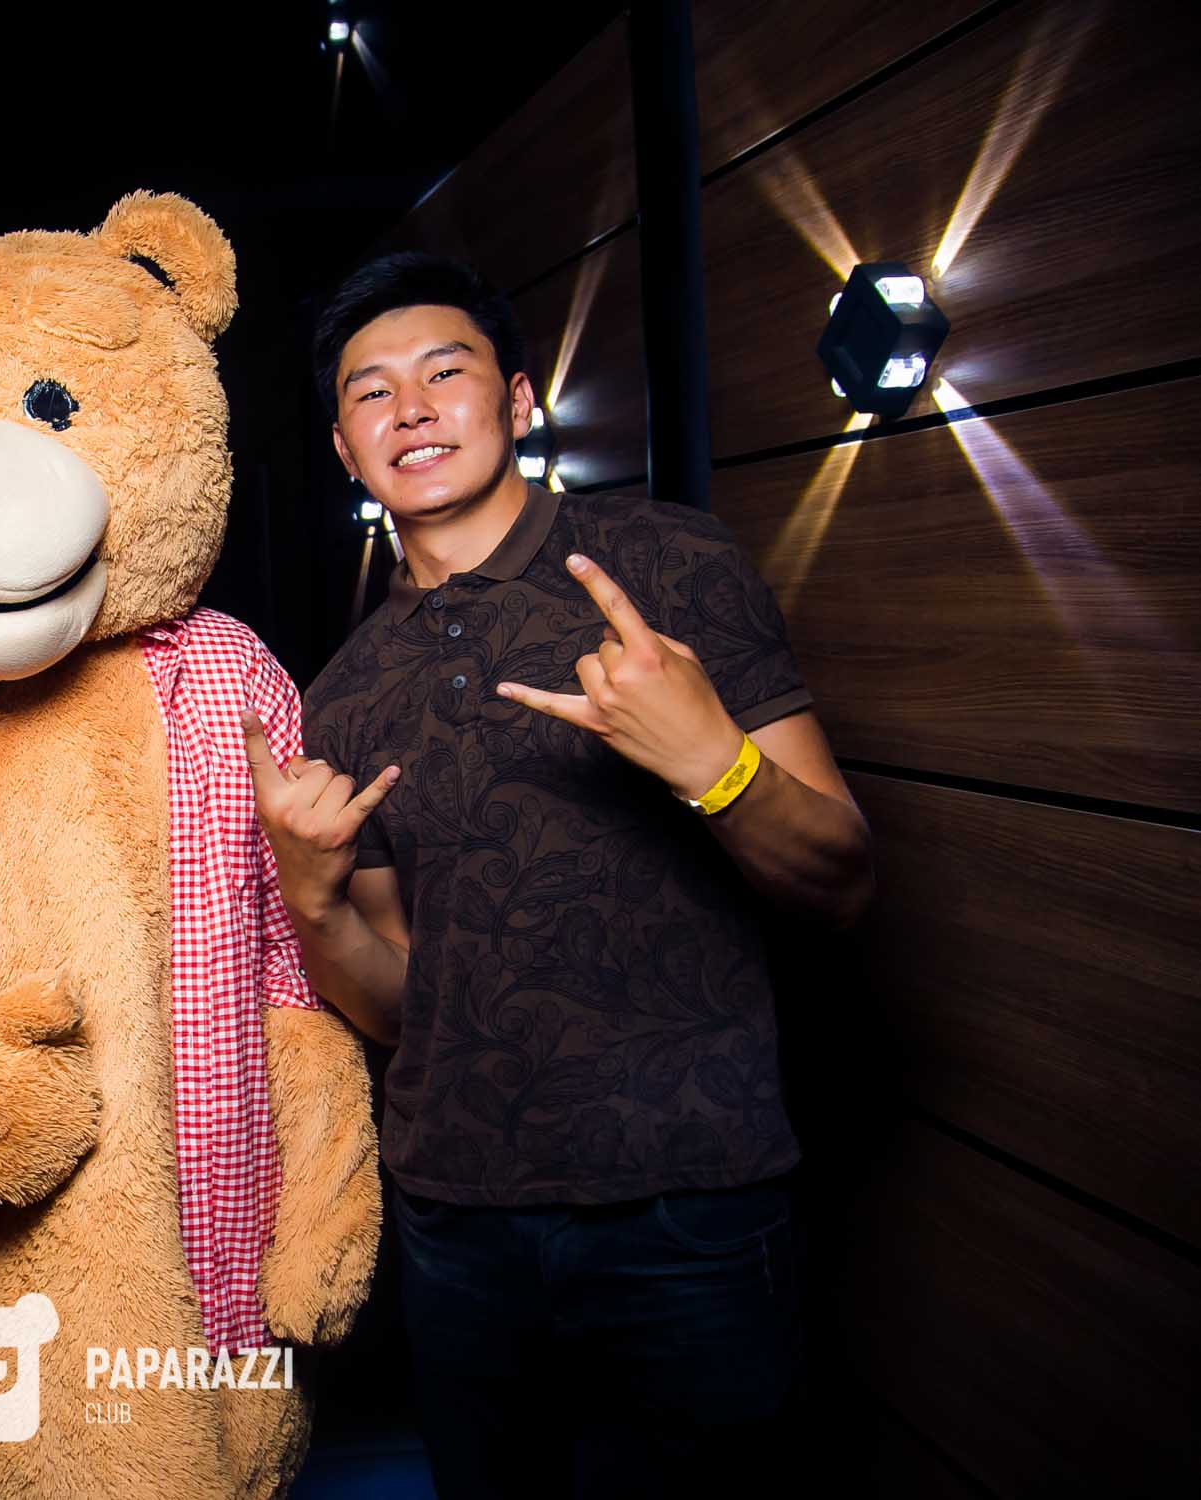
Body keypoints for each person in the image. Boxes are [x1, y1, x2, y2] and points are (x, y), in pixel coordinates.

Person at [244, 252, 874, 1498]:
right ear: (345, 448)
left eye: (446, 372)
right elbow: (401, 999)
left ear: (520, 401)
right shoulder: (345, 692)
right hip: (459, 1222)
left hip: (691, 1198)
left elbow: (843, 881)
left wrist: (712, 764)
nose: (411, 409)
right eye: (372, 393)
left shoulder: (670, 565)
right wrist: (310, 898)